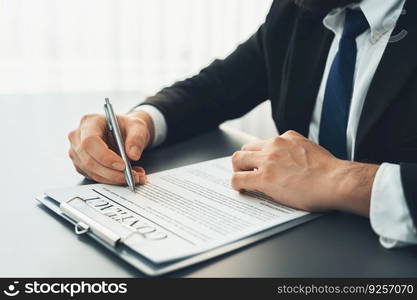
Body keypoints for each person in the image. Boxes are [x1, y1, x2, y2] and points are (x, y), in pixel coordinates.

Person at [68, 0, 417, 248]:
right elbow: (218, 87)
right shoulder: (301, 9)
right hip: (296, 251)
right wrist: (141, 120)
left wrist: (342, 180)